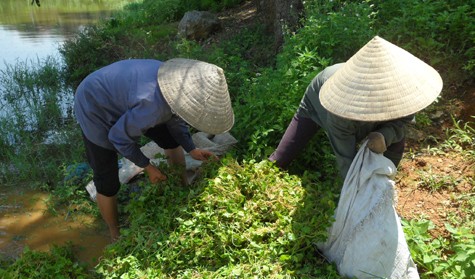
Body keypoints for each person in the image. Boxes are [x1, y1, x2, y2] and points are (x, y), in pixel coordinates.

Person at [74, 58, 234, 240]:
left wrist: (192, 149)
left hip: (131, 98)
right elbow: (117, 138)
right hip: (93, 103)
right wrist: (148, 168)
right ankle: (115, 234)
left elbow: (176, 120)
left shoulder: (174, 87)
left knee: (170, 138)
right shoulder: (152, 105)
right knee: (107, 178)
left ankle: (181, 188)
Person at [269, 36, 443, 179]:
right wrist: (357, 193)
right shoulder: (340, 109)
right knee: (280, 159)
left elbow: (403, 123)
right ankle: (266, 175)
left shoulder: (401, 91)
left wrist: (384, 135)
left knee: (395, 144)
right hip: (317, 103)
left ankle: (385, 182)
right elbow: (347, 162)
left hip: (362, 115)